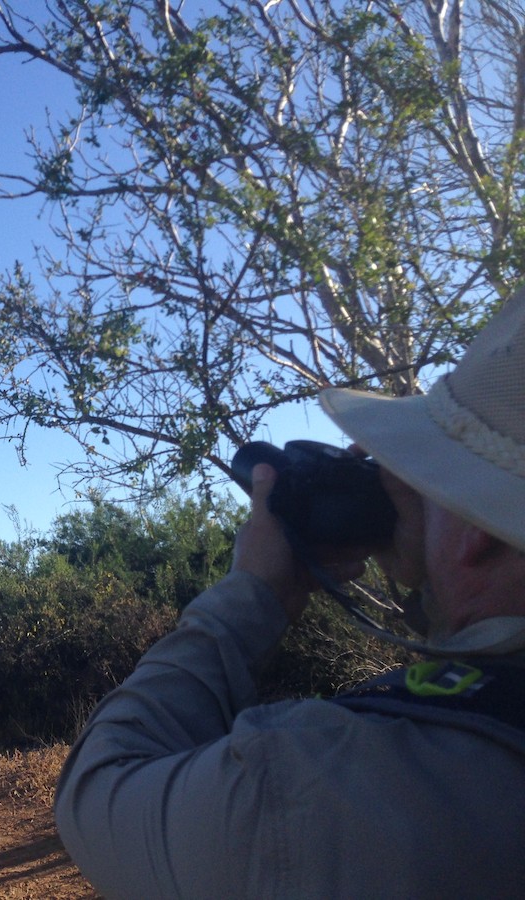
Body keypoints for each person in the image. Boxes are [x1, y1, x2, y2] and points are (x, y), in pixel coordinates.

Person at [54, 286, 525, 899]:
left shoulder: (336, 785)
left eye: (435, 481)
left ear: (479, 535)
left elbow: (98, 789)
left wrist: (253, 593)